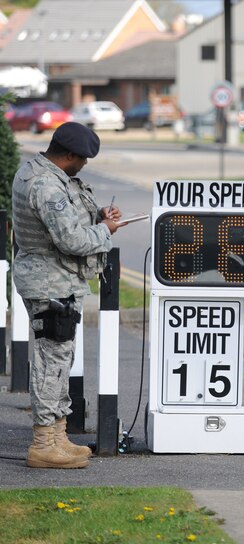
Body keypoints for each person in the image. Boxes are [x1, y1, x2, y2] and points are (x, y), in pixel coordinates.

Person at [11, 122, 127, 469]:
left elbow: (69, 220)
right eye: (83, 160)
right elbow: (72, 240)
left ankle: (58, 436)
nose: (84, 166)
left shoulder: (44, 173)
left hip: (57, 281)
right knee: (51, 364)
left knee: (59, 361)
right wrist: (105, 230)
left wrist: (98, 216)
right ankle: (44, 444)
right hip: (50, 284)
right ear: (70, 155)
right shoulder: (45, 185)